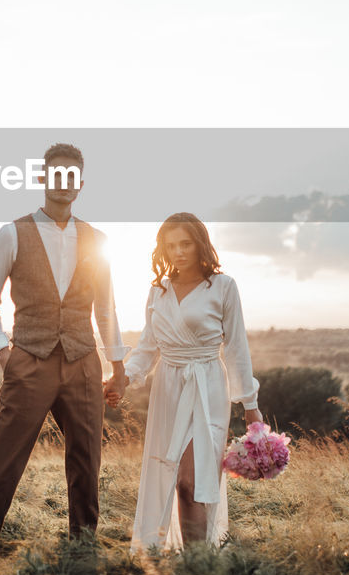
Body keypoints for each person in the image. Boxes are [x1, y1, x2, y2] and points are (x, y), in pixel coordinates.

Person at [0, 143, 128, 554]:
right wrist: (3, 352)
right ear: (42, 179)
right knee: (4, 465)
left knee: (86, 465)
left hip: (83, 363)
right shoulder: (12, 233)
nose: (64, 182)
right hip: (29, 360)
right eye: (56, 174)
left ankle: (82, 553)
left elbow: (106, 308)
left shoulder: (97, 239)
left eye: (72, 175)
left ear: (80, 184)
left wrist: (118, 365)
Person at [107, 212, 262, 552]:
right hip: (168, 389)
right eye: (171, 245)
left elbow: (237, 348)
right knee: (172, 480)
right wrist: (123, 378)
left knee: (193, 481)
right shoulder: (157, 292)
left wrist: (250, 406)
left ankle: (198, 566)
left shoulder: (223, 287)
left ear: (200, 244)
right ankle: (189, 560)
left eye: (186, 243)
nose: (178, 251)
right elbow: (148, 347)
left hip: (207, 386)